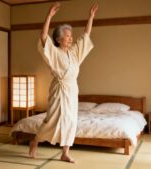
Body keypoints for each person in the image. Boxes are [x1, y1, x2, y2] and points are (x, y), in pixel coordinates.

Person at [29, 2, 98, 163]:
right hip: (59, 90)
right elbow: (44, 37)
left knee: (71, 120)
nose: (70, 38)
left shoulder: (74, 53)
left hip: (72, 90)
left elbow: (86, 35)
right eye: (67, 36)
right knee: (52, 120)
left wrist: (91, 17)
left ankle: (65, 152)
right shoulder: (54, 52)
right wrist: (49, 16)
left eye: (70, 36)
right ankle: (35, 141)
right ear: (59, 39)